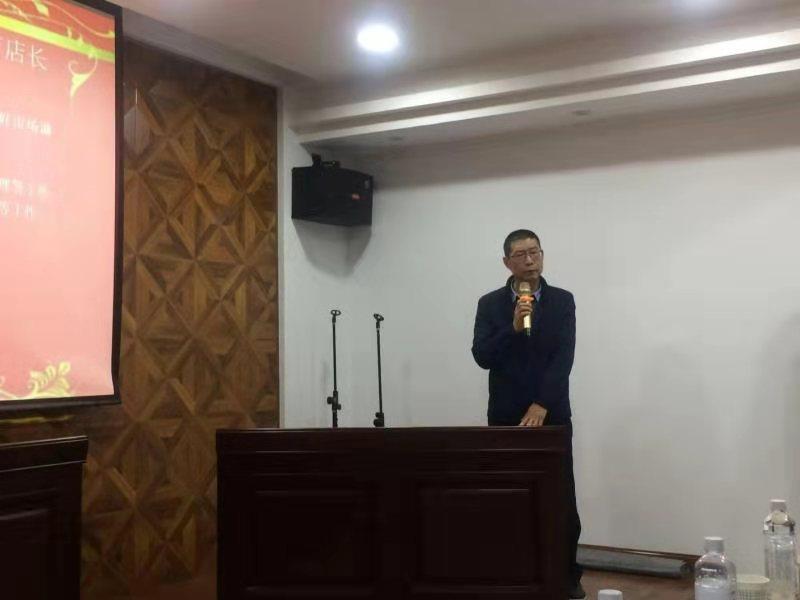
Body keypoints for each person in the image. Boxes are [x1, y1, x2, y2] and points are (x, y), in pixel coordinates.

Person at [471, 229, 584, 599]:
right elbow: (482, 356)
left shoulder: (562, 301)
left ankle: (567, 576)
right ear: (507, 262)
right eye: (521, 254)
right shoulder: (490, 304)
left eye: (535, 252)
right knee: (509, 497)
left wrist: (542, 404)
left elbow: (563, 358)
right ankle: (512, 573)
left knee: (561, 498)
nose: (530, 260)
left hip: (551, 415)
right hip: (506, 416)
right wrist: (513, 328)